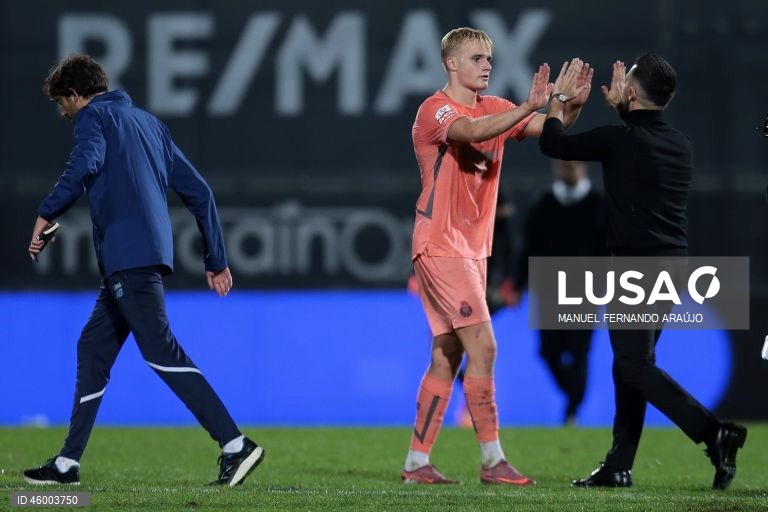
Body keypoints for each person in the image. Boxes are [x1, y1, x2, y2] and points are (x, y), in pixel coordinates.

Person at [23, 54, 264, 487]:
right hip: (141, 256)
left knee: (161, 352)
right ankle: (67, 463)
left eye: (62, 101)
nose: (61, 112)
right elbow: (200, 191)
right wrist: (217, 260)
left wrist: (46, 213)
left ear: (77, 95)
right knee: (93, 348)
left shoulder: (93, 119)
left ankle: (234, 444)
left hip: (128, 259)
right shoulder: (150, 124)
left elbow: (83, 166)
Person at [539, 54, 747, 489]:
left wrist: (558, 100)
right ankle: (619, 464)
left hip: (636, 266)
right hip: (672, 265)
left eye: (626, 85)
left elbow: (553, 143)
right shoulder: (678, 144)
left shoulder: (620, 142)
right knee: (633, 364)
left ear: (631, 93)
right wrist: (624, 108)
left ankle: (714, 432)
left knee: (633, 367)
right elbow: (640, 139)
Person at [401, 27, 590, 485]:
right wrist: (530, 106)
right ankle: (492, 461)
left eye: (489, 57)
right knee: (484, 345)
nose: (487, 64)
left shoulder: (497, 107)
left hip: (471, 249)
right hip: (441, 244)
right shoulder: (436, 109)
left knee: (447, 355)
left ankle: (416, 463)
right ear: (451, 63)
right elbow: (468, 132)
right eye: (476, 57)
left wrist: (567, 108)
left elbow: (550, 134)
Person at [516, 159, 606, 425]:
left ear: (584, 167)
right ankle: (574, 398)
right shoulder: (543, 204)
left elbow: (608, 250)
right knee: (548, 352)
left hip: (584, 292)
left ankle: (571, 412)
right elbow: (528, 247)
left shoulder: (599, 205)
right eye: (562, 164)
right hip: (549, 291)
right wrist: (519, 284)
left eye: (573, 164)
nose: (567, 169)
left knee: (579, 352)